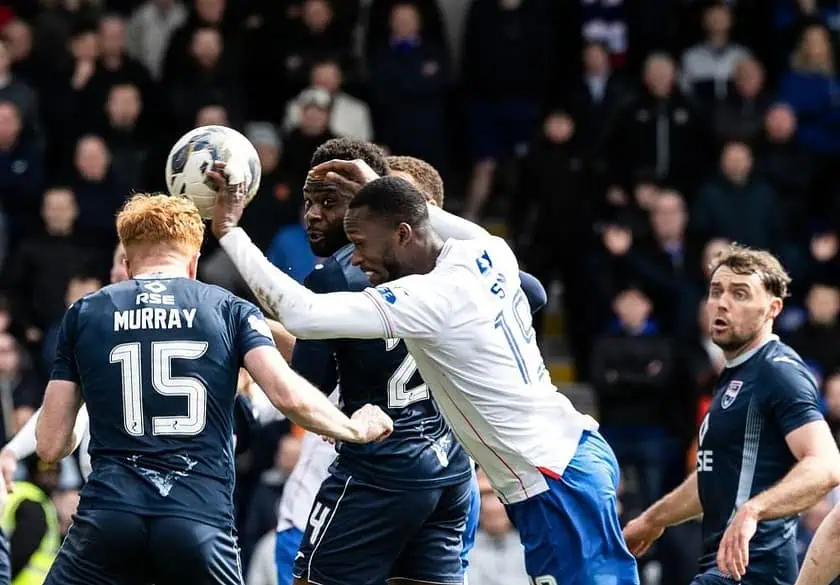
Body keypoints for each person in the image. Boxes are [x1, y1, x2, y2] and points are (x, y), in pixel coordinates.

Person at [212, 160, 639, 585]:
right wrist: (380, 186)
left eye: (362, 243)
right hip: (572, 453)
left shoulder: (430, 299)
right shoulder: (488, 250)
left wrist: (230, 231)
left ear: (402, 235)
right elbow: (428, 220)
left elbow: (301, 315)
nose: (357, 259)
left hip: (551, 479)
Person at [34, 194, 393, 585]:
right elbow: (286, 393)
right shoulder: (228, 308)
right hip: (199, 519)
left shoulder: (85, 313)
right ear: (192, 264)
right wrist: (353, 429)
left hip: (108, 516)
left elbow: (52, 446)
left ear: (127, 262)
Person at [264, 138, 474, 585]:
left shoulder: (338, 274)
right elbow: (532, 292)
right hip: (449, 463)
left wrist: (252, 351)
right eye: (308, 202)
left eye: (329, 201)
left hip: (381, 464)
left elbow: (307, 386)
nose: (314, 214)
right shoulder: (451, 261)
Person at [622, 244, 840, 585]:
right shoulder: (734, 376)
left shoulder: (777, 371)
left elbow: (827, 466)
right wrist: (652, 520)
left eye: (740, 293)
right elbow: (715, 477)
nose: (722, 302)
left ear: (773, 308)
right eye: (716, 291)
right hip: (723, 570)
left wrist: (754, 510)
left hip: (752, 571)